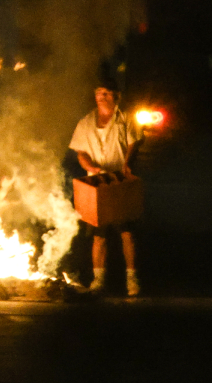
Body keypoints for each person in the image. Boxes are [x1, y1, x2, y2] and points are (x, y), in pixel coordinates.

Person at [69, 78, 143, 296]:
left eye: (108, 93)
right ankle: (98, 281)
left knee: (127, 233)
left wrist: (127, 163)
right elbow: (80, 152)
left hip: (119, 181)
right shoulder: (85, 122)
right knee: (98, 236)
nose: (103, 97)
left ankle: (132, 280)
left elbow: (133, 143)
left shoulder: (126, 119)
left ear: (117, 96)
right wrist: (91, 167)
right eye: (99, 93)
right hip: (96, 185)